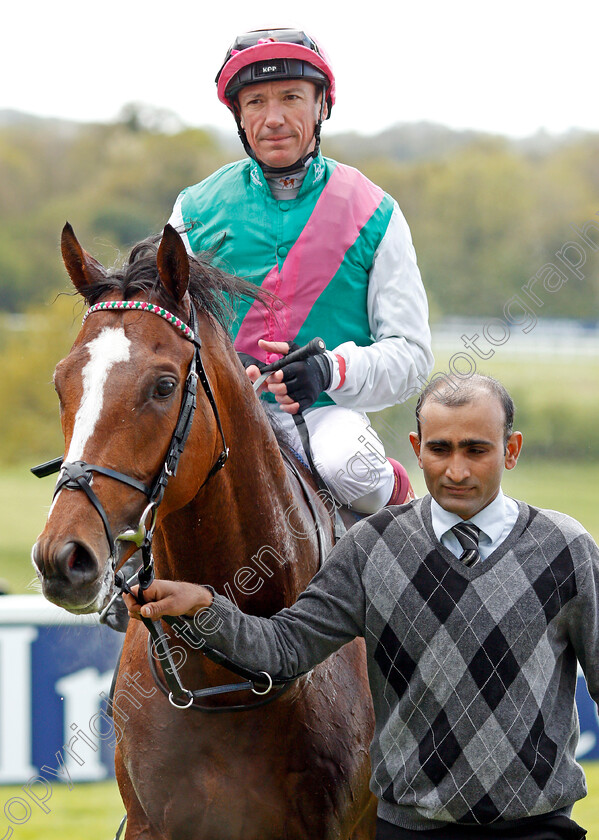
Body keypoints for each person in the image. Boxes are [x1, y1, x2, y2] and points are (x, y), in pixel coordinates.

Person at [124, 374, 596, 839]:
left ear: (510, 450)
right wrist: (204, 606)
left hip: (539, 828)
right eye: (440, 449)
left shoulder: (566, 548)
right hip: (407, 831)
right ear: (416, 448)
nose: (456, 470)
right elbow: (286, 649)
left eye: (476, 450)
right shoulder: (373, 547)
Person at [168, 28, 433, 513]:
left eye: (291, 98)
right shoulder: (192, 211)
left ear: (321, 108)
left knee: (353, 470)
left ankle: (401, 523)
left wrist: (329, 369)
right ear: (239, 117)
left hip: (326, 414)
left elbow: (412, 356)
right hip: (218, 414)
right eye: (255, 102)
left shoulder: (376, 211)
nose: (273, 119)